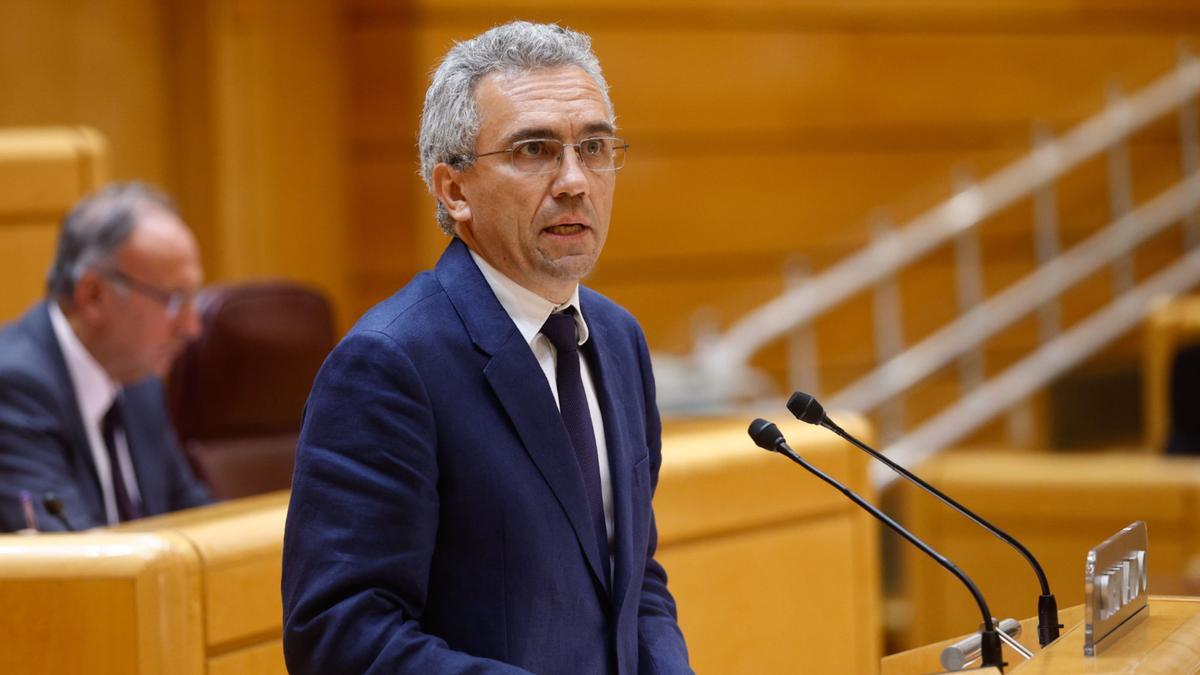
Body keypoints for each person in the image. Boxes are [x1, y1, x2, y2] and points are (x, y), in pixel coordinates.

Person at [282, 21, 692, 674]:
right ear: (453, 189)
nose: (574, 180)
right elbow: (342, 635)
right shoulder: (390, 365)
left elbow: (632, 573)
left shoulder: (619, 340)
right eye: (534, 150)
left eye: (594, 146)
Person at [0, 182, 213, 532]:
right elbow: (72, 557)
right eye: (175, 299)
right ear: (94, 295)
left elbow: (196, 520)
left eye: (194, 298)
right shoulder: (14, 389)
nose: (192, 327)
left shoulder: (138, 380)